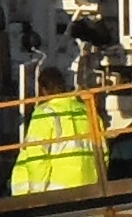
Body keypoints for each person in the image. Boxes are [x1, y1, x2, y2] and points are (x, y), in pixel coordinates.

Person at [11, 62, 106, 195]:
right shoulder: (87, 111)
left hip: (57, 191)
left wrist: (36, 193)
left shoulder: (44, 113)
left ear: (43, 89)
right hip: (89, 187)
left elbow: (36, 157)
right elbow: (103, 152)